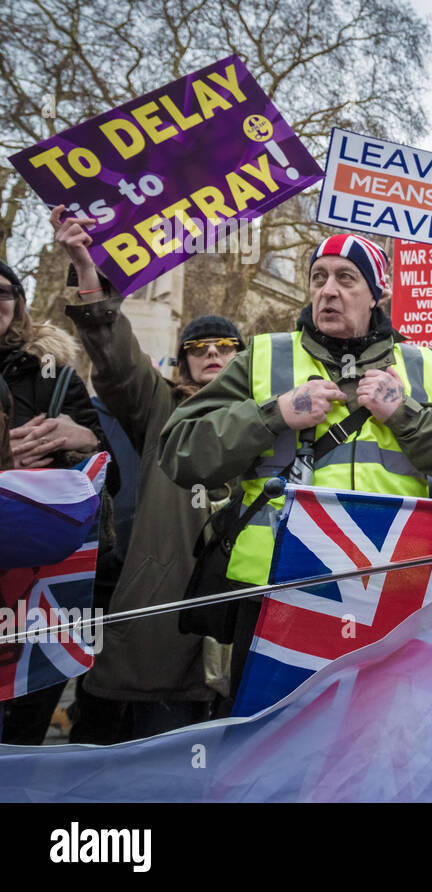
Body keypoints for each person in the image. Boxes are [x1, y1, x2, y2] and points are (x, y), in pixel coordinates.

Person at [159, 233, 432, 696]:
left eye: (346, 278)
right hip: (277, 594)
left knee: (375, 742)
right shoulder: (263, 356)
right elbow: (180, 450)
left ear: (377, 293)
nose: (328, 290)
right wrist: (272, 414)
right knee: (269, 745)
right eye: (318, 278)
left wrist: (405, 414)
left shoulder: (421, 365)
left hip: (391, 595)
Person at [51, 205, 244, 736]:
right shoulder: (163, 412)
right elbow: (118, 362)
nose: (211, 354)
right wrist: (90, 276)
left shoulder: (276, 416)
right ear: (182, 362)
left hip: (241, 626)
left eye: (224, 347)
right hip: (162, 627)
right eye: (198, 348)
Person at [0, 257, 111, 745]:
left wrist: (81, 435)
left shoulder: (52, 371)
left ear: (18, 303)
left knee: (25, 721)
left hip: (38, 583)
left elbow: (110, 468)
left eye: (4, 291)